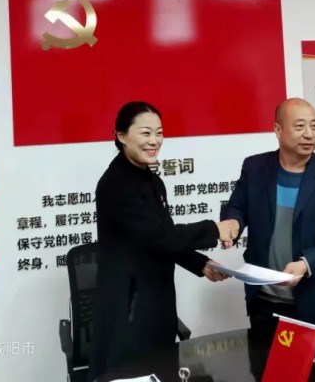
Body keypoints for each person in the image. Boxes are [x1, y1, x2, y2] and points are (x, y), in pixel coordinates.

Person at [88, 101, 238, 381]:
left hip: (156, 302)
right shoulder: (116, 184)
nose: (154, 141)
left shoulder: (152, 181)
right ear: (121, 136)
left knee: (161, 372)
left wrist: (201, 263)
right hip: (127, 309)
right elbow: (160, 236)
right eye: (145, 133)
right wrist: (215, 229)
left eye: (159, 133)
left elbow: (162, 238)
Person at [219, 98, 315, 335]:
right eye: (300, 126)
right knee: (263, 360)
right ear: (278, 130)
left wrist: (307, 263)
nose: (309, 134)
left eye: (314, 126)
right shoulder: (255, 168)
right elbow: (237, 206)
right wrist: (233, 222)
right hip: (264, 304)